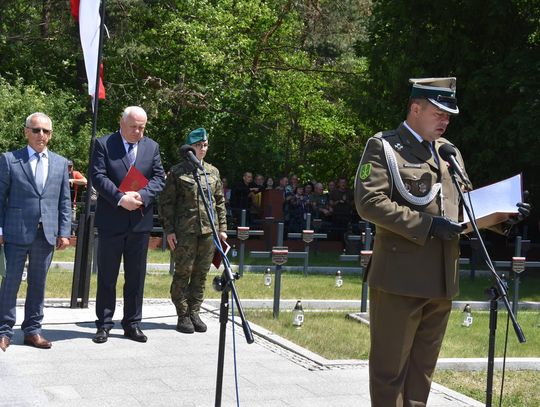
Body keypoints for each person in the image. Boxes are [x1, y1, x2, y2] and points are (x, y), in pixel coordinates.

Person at [354, 77, 529, 406]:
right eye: (439, 113)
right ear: (415, 109)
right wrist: (428, 226)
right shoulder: (384, 147)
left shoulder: (449, 152)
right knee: (390, 373)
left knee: (422, 372)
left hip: (442, 280)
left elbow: (464, 207)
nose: (445, 121)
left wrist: (504, 215)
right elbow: (370, 203)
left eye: (448, 116)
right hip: (400, 280)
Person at [90, 106, 165, 344]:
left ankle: (132, 323)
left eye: (142, 127)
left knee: (136, 277)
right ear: (122, 123)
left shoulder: (151, 147)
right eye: (133, 127)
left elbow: (158, 177)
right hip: (112, 220)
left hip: (139, 222)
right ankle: (104, 324)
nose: (138, 132)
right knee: (107, 276)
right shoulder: (104, 144)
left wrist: (142, 196)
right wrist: (121, 199)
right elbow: (98, 176)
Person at [0, 112, 71, 351]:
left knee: (38, 283)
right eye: (36, 130)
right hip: (15, 231)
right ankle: (4, 331)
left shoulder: (60, 163)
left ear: (50, 135)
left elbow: (64, 200)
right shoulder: (10, 160)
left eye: (46, 131)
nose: (41, 135)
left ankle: (32, 330)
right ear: (26, 132)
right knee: (10, 282)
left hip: (46, 234)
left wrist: (64, 231)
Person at [159, 128, 227, 334]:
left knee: (201, 273)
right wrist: (169, 230)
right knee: (183, 272)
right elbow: (166, 203)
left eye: (205, 145)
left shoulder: (212, 172)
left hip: (208, 232)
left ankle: (194, 312)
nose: (203, 149)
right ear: (190, 148)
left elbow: (219, 202)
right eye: (198, 145)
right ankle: (183, 314)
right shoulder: (178, 172)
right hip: (185, 232)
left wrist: (222, 228)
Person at [67, 160, 88, 233]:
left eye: (70, 166)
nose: (69, 168)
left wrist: (72, 180)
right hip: (60, 204)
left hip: (72, 204)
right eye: (68, 166)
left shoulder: (75, 173)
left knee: (72, 225)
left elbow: (85, 181)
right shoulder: (61, 173)